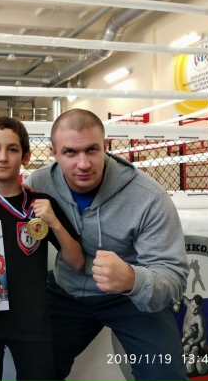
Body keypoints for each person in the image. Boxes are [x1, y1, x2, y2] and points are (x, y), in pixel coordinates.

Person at [24, 108, 189, 381]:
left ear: (106, 146)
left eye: (91, 150)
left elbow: (174, 277)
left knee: (165, 374)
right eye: (70, 152)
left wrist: (133, 279)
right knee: (34, 367)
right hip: (66, 291)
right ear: (54, 153)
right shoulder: (39, 183)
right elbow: (8, 216)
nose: (83, 164)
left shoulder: (148, 197)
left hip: (130, 299)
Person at [0, 117, 84, 381]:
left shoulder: (41, 205)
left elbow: (77, 261)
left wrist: (55, 223)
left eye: (12, 149)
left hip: (31, 324)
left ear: (25, 156)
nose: (3, 157)